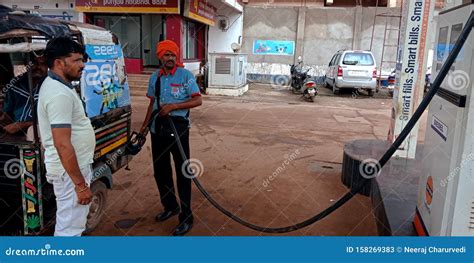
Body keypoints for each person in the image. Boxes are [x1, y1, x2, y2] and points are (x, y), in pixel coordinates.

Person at [140, 40, 202, 236]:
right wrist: (144, 128)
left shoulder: (185, 76)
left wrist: (174, 107)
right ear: (160, 57)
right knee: (161, 170)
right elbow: (152, 104)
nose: (170, 58)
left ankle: (186, 216)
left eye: (173, 55)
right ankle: (170, 206)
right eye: (166, 55)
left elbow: (197, 100)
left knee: (183, 173)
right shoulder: (155, 78)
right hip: (158, 128)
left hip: (178, 127)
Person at [37, 36, 95, 236]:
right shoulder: (58, 93)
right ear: (59, 63)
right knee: (69, 230)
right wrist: (80, 185)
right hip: (69, 173)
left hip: (70, 170)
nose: (82, 65)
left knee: (71, 224)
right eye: (77, 60)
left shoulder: (60, 87)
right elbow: (62, 144)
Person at [1, 54, 48, 135]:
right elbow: (8, 112)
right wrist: (4, 118)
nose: (38, 67)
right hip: (14, 134)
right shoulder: (15, 84)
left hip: (41, 134)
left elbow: (52, 121)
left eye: (43, 64)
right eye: (34, 63)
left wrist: (21, 125)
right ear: (27, 64)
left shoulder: (51, 86)